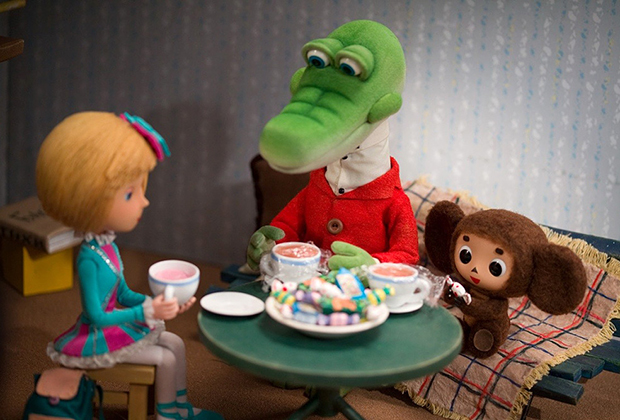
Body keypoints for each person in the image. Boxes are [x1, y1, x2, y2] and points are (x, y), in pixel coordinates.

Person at [36, 112, 222, 420]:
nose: (144, 202)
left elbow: (121, 292)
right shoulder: (88, 259)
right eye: (129, 193)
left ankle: (181, 407)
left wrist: (160, 304)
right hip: (96, 336)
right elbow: (96, 315)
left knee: (175, 343)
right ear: (88, 200)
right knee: (164, 358)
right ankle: (167, 415)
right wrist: (145, 312)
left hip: (116, 323)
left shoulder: (108, 245)